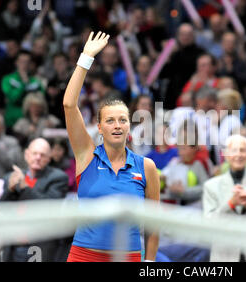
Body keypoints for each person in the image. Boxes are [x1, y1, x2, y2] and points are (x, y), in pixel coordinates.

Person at [63, 31, 159, 262]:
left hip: (129, 257)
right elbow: (68, 104)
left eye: (122, 120)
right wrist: (86, 57)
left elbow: (154, 224)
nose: (117, 125)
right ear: (100, 127)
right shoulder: (86, 155)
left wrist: (149, 263)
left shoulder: (146, 167)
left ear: (129, 127)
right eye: (110, 120)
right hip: (84, 256)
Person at [202, 134, 246, 262]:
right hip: (223, 255)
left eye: (242, 150)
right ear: (226, 155)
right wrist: (230, 204)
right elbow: (209, 223)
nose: (238, 154)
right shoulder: (211, 186)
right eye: (234, 150)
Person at [0, 137, 68, 262]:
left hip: (40, 244)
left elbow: (49, 208)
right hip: (13, 244)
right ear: (26, 154)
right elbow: (0, 210)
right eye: (34, 153)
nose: (37, 157)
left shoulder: (58, 178)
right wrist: (10, 190)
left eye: (42, 155)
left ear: (49, 158)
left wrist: (24, 186)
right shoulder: (12, 177)